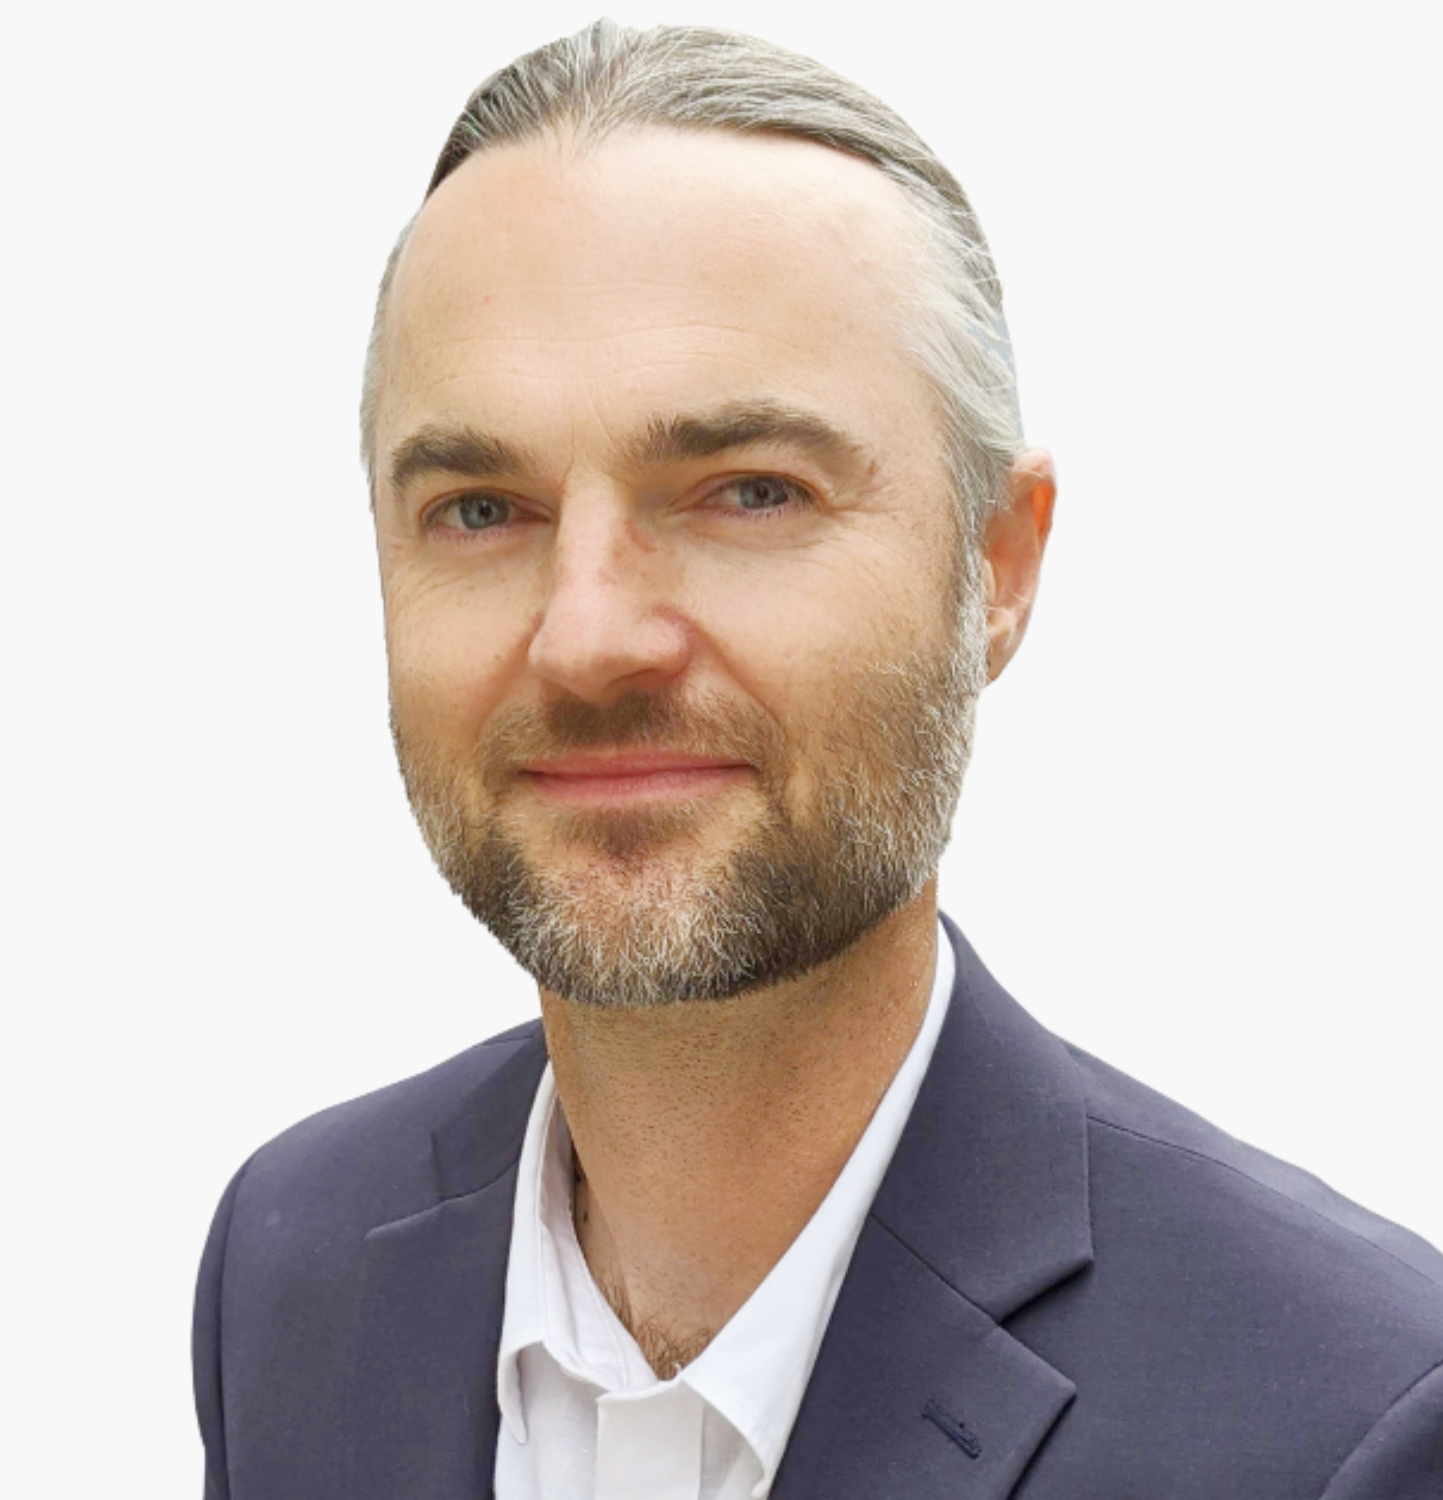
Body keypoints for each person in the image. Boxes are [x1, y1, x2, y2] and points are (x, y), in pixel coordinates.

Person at [192, 21, 1443, 1499]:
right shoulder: (292, 1266)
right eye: (480, 508)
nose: (588, 637)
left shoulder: (1351, 1416)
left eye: (750, 491)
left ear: (999, 567)